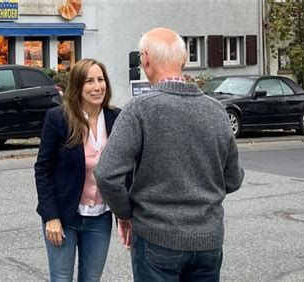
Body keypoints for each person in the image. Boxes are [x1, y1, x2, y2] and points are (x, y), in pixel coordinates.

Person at [94, 27, 245, 281]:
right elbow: (233, 179)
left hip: (156, 237)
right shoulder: (218, 111)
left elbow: (107, 173)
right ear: (184, 60)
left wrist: (125, 213)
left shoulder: (139, 110)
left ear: (145, 59)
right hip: (208, 241)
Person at [34, 58, 126, 281]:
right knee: (61, 277)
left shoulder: (118, 118)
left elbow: (126, 169)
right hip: (64, 216)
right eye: (89, 81)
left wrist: (126, 212)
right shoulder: (58, 119)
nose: (97, 87)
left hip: (100, 217)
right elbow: (43, 170)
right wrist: (51, 217)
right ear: (77, 86)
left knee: (91, 279)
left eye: (101, 80)